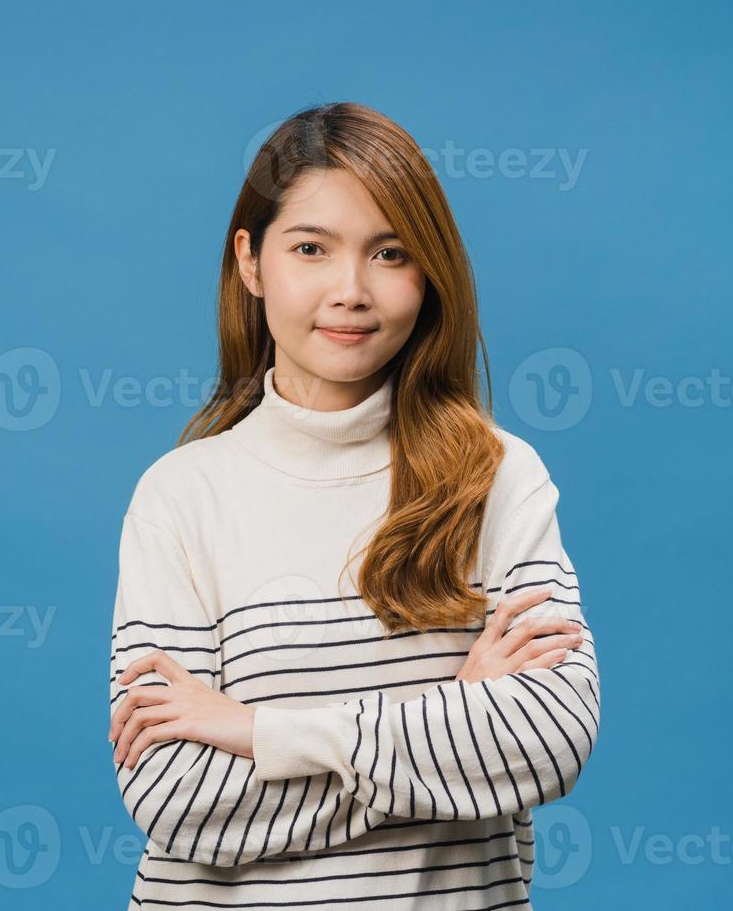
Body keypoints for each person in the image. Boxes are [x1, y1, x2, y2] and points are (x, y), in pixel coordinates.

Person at [107, 102, 599, 909]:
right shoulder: (180, 497)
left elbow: (547, 740)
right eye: (311, 248)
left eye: (390, 253)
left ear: (428, 272)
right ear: (252, 263)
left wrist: (260, 734)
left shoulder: (499, 476)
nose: (351, 291)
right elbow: (177, 799)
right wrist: (454, 721)